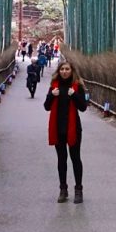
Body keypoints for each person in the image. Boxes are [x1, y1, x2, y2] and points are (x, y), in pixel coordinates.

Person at [43, 60, 89, 203]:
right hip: (58, 128)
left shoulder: (77, 86)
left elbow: (83, 107)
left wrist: (74, 95)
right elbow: (46, 106)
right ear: (59, 71)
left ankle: (78, 190)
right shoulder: (54, 86)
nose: (64, 71)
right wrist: (52, 95)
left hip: (73, 128)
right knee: (61, 160)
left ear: (72, 70)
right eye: (62, 69)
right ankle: (63, 189)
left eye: (67, 69)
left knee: (75, 158)